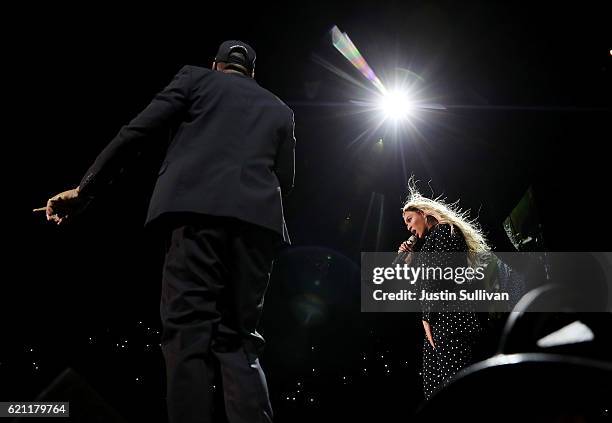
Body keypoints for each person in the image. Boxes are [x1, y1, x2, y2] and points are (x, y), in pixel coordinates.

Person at [35, 40, 295, 423]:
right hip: (257, 228)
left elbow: (135, 132)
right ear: (252, 73)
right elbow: (286, 181)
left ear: (216, 65)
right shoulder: (280, 109)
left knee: (188, 333)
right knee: (239, 341)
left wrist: (85, 189)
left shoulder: (195, 79)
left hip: (196, 214)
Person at [397, 182, 490, 401]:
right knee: (435, 393)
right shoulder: (429, 243)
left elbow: (441, 278)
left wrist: (426, 318)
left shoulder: (446, 232)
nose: (409, 228)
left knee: (455, 390)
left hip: (452, 319)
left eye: (410, 220)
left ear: (423, 213)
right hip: (438, 323)